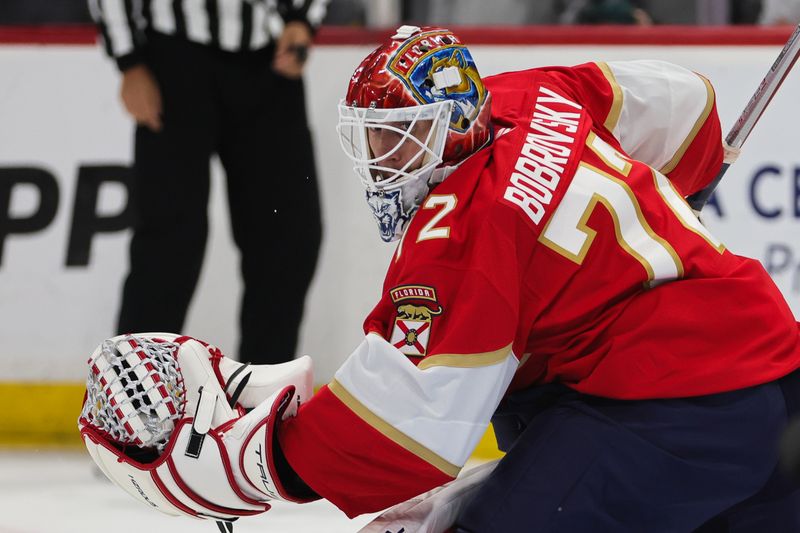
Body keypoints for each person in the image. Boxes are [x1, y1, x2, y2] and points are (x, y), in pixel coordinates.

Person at [81, 26, 800, 532]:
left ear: (453, 122)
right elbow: (689, 108)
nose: (382, 159)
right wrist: (682, 182)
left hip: (668, 410)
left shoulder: (461, 228)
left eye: (399, 136)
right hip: (772, 366)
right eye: (372, 138)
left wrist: (251, 463)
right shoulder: (530, 95)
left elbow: (400, 429)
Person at [87, 0, 327, 364]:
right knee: (169, 243)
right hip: (173, 56)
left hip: (270, 55)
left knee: (288, 236)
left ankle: (262, 400)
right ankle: (133, 399)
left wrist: (302, 19)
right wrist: (129, 59)